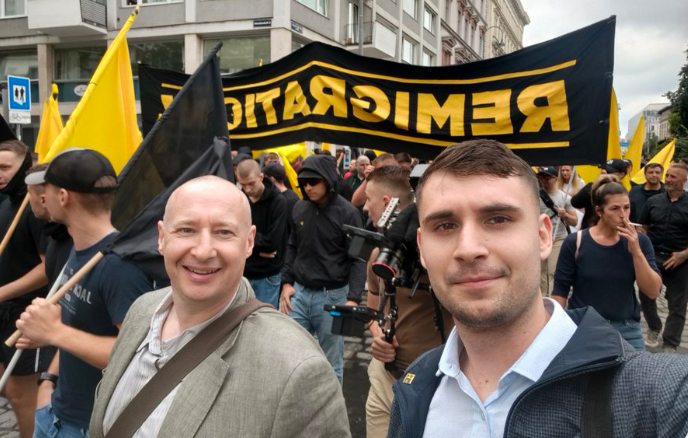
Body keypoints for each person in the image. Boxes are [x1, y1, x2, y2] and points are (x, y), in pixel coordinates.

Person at [387, 139, 688, 438]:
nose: (468, 249)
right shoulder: (415, 386)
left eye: (498, 219)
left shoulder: (657, 393)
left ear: (543, 236)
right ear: (422, 249)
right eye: (445, 226)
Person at [86, 176, 349, 438]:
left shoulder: (297, 369)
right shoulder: (141, 310)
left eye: (224, 232)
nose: (203, 251)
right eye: (186, 230)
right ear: (162, 237)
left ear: (249, 242)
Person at [16, 148, 155, 438]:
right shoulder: (79, 248)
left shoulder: (117, 266)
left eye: (47, 188)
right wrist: (48, 380)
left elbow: (136, 353)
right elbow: (76, 328)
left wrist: (54, 332)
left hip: (89, 426)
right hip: (56, 411)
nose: (42, 197)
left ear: (63, 197)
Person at [362, 166, 452, 438]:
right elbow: (373, 311)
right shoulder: (380, 257)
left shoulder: (445, 258)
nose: (364, 207)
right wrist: (379, 338)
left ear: (386, 203)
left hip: (437, 386)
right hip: (384, 379)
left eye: (368, 199)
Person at [279, 154, 366, 383]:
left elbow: (358, 259)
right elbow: (292, 246)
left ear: (327, 180)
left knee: (331, 363)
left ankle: (332, 405)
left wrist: (353, 299)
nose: (308, 187)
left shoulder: (348, 213)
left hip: (333, 297)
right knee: (291, 357)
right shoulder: (299, 208)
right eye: (303, 182)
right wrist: (286, 283)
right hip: (299, 294)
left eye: (313, 182)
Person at [552, 175, 662, 350]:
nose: (623, 215)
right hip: (583, 326)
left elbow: (652, 291)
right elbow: (560, 289)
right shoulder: (576, 242)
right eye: (615, 208)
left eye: (627, 207)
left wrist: (636, 251)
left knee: (638, 368)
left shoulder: (640, 241)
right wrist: (556, 330)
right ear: (599, 211)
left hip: (626, 328)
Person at [0, 140, 48, 438]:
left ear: (26, 168)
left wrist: (3, 292)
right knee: (8, 387)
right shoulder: (5, 203)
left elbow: (47, 268)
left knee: (22, 395)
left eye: (5, 167)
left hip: (25, 312)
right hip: (3, 312)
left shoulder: (35, 208)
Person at [639, 163, 688, 352]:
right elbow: (644, 227)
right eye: (667, 175)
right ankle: (654, 327)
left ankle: (670, 343)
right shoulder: (653, 201)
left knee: (677, 305)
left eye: (673, 177)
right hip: (653, 258)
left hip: (680, 261)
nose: (667, 179)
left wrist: (683, 254)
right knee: (646, 295)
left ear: (684, 180)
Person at [235, 159, 288, 309]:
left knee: (264, 318)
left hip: (267, 274)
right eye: (243, 184)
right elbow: (231, 235)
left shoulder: (278, 201)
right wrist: (257, 249)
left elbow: (272, 243)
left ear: (261, 177)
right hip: (242, 273)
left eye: (251, 183)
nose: (248, 189)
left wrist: (246, 242)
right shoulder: (240, 200)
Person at [536, 166, 577, 296]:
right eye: (541, 177)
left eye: (547, 177)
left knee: (552, 271)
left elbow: (574, 221)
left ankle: (552, 299)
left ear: (555, 178)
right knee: (540, 272)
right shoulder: (534, 196)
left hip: (558, 238)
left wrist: (565, 215)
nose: (544, 180)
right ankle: (542, 298)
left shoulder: (565, 198)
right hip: (539, 238)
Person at [572, 158, 628, 229]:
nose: (604, 172)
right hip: (589, 230)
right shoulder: (592, 187)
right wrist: (595, 186)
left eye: (609, 171)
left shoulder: (624, 193)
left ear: (621, 174)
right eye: (602, 169)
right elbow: (575, 203)